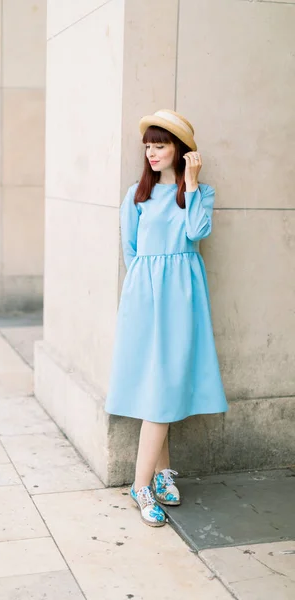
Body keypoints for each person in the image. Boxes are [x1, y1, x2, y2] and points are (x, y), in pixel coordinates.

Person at [105, 109, 228, 527]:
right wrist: (142, 295)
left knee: (168, 382)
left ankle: (161, 473)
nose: (152, 152)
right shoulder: (136, 195)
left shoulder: (200, 193)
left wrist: (190, 185)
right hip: (145, 296)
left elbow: (196, 233)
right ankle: (142, 485)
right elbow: (131, 252)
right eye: (149, 146)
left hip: (184, 298)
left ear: (181, 150)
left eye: (161, 145)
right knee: (156, 384)